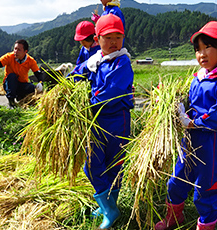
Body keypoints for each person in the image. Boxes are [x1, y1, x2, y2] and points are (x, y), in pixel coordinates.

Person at [154, 21, 217, 230]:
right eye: (197, 49)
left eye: (207, 47)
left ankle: (206, 226)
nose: (201, 54)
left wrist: (194, 122)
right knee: (176, 182)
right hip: (188, 143)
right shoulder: (198, 78)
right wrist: (169, 103)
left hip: (210, 144)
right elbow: (188, 102)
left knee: (206, 189)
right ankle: (174, 218)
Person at [83, 14, 133, 229]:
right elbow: (80, 73)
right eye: (108, 37)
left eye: (118, 37)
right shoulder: (95, 60)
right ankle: (108, 205)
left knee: (114, 165)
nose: (114, 42)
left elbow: (111, 92)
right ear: (97, 38)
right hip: (96, 121)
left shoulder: (122, 62)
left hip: (116, 121)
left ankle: (109, 208)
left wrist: (88, 100)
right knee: (92, 165)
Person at [0, 39, 43, 108]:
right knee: (12, 76)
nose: (16, 51)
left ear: (25, 51)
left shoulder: (30, 61)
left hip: (22, 84)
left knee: (32, 87)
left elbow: (38, 73)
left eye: (19, 50)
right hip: (9, 84)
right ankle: (11, 102)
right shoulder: (9, 56)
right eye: (15, 49)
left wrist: (40, 83)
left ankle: (20, 96)